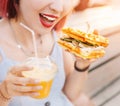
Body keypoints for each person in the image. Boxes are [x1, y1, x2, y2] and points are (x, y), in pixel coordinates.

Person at [0, 0, 95, 106]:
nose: (58, 8)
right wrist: (4, 93)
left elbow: (71, 94)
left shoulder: (57, 37)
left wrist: (82, 65)